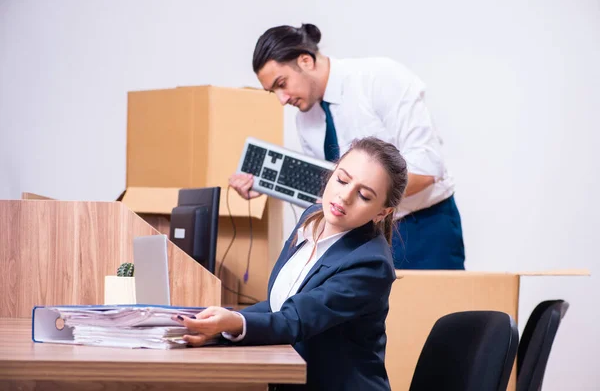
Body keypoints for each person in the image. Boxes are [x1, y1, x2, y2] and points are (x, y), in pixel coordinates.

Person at [175, 137, 407, 391]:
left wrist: (235, 323)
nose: (345, 196)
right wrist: (221, 323)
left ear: (382, 212)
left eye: (363, 195)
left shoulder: (371, 264)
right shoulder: (311, 218)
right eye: (342, 180)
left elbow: (295, 318)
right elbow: (279, 305)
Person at [229, 23, 465, 270]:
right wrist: (269, 184)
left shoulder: (379, 78)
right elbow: (328, 187)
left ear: (306, 61)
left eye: (282, 83)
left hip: (423, 227)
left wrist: (362, 200)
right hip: (362, 233)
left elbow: (427, 168)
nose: (282, 99)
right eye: (273, 91)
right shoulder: (306, 119)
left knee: (434, 309)